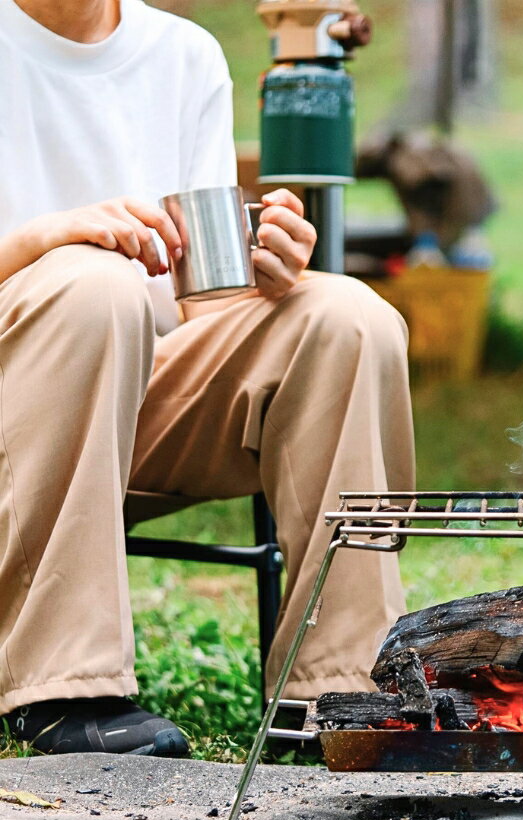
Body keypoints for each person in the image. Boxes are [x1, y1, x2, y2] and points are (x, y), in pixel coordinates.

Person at [0, 0, 415, 756]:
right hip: (18, 397)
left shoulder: (182, 55)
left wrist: (265, 267)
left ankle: (336, 689)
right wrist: (41, 240)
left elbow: (203, 303)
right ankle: (65, 688)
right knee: (94, 283)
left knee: (344, 315)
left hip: (129, 394)